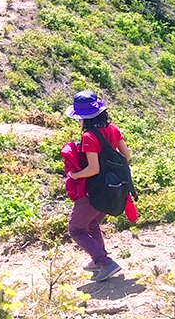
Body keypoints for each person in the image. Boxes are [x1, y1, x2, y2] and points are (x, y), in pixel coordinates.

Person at [62, 91, 132, 283]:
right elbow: (126, 157)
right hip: (114, 189)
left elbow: (93, 169)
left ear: (83, 118)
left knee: (76, 228)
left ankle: (106, 262)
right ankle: (97, 260)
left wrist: (74, 175)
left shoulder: (89, 137)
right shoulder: (113, 129)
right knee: (92, 224)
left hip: (95, 191)